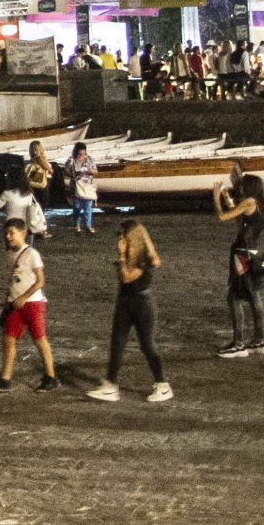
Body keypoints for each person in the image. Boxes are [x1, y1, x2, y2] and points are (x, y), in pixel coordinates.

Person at [87, 219, 172, 402]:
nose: (119, 238)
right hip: (124, 302)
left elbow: (127, 277)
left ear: (130, 238)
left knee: (147, 346)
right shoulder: (134, 253)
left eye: (122, 235)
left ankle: (163, 385)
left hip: (142, 304)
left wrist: (122, 256)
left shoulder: (144, 258)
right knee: (117, 344)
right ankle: (110, 385)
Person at [0, 218, 60, 390]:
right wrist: (8, 300)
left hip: (33, 304)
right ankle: (5, 379)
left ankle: (51, 377)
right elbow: (13, 280)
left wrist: (24, 297)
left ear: (23, 234)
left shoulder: (32, 254)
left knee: (40, 339)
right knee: (8, 339)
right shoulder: (10, 254)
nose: (8, 236)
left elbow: (40, 281)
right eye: (6, 233)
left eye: (12, 233)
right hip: (15, 304)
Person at [215, 172, 264, 357]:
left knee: (234, 297)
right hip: (253, 252)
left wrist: (216, 198)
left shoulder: (249, 202)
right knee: (254, 296)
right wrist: (226, 198)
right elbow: (237, 212)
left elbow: (223, 217)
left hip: (242, 255)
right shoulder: (258, 203)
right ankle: (259, 340)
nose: (239, 186)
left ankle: (238, 343)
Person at [66, 141, 100, 235]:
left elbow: (95, 171)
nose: (82, 156)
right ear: (75, 153)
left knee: (88, 206)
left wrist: (90, 171)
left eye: (84, 153)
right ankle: (77, 224)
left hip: (87, 186)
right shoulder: (71, 160)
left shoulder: (89, 159)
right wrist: (77, 170)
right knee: (77, 206)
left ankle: (88, 226)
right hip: (76, 186)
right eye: (80, 154)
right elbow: (67, 172)